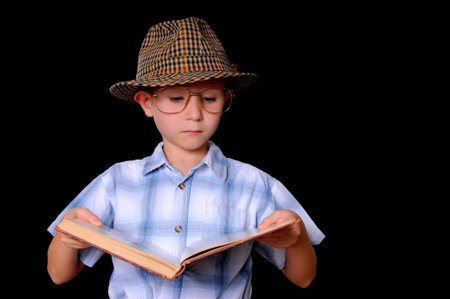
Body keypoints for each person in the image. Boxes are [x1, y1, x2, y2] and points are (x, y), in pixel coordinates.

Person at [47, 17, 325, 298]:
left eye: (209, 98)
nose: (194, 113)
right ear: (147, 103)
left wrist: (297, 237)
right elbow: (59, 274)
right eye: (176, 98)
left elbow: (304, 278)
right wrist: (66, 233)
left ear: (225, 99)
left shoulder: (255, 183)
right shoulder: (116, 180)